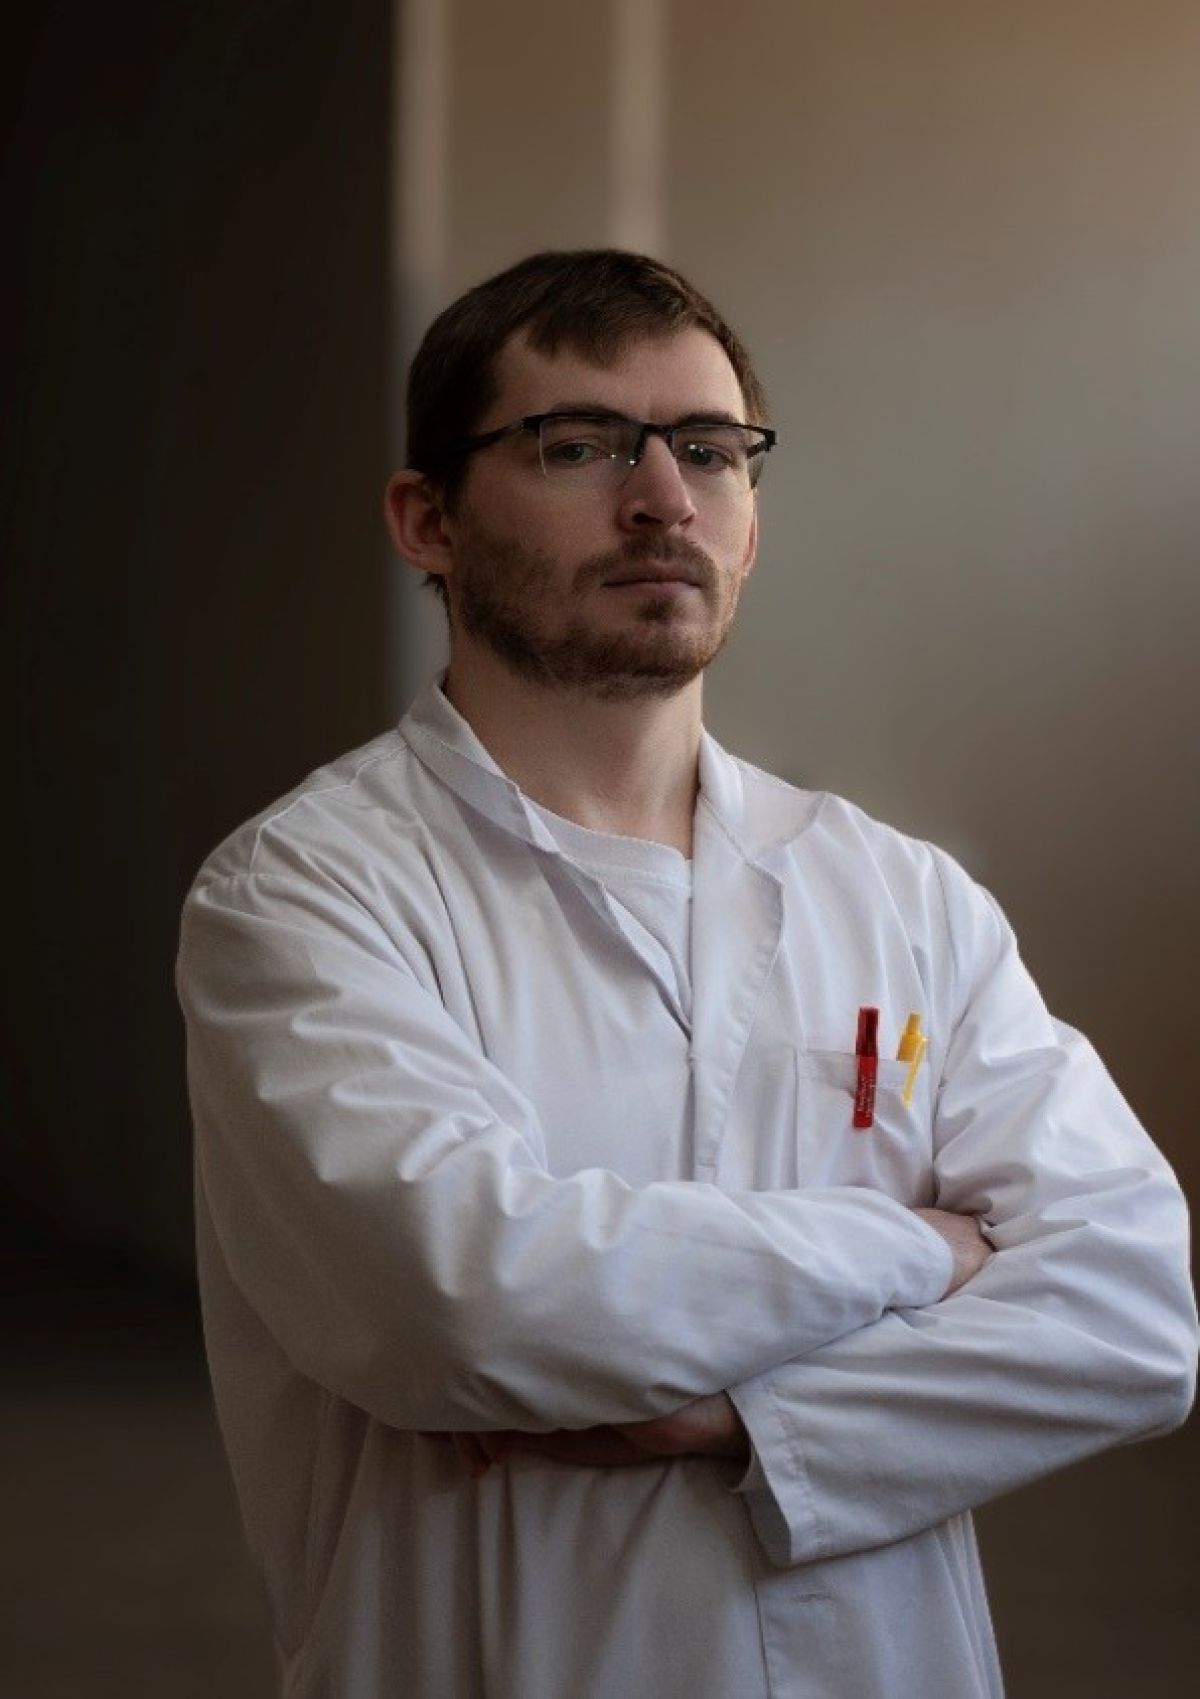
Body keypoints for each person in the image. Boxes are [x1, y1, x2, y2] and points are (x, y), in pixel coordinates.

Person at [177, 249, 1197, 1699]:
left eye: (710, 450)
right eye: (580, 444)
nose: (663, 498)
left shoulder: (903, 898)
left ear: (752, 521)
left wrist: (755, 1424)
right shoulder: (304, 892)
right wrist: (923, 1253)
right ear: (427, 520)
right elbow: (471, 1300)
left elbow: (1133, 1313)